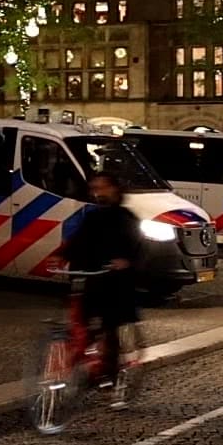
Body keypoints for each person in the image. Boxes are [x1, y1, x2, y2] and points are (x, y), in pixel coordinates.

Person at [63, 172, 144, 406]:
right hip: (94, 279)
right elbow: (78, 241)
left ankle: (112, 378)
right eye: (94, 189)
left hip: (117, 284)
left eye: (102, 188)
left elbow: (136, 245)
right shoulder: (92, 216)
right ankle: (88, 370)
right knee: (83, 325)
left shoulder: (126, 218)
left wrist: (125, 260)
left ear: (115, 189)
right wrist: (61, 256)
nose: (97, 193)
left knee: (110, 329)